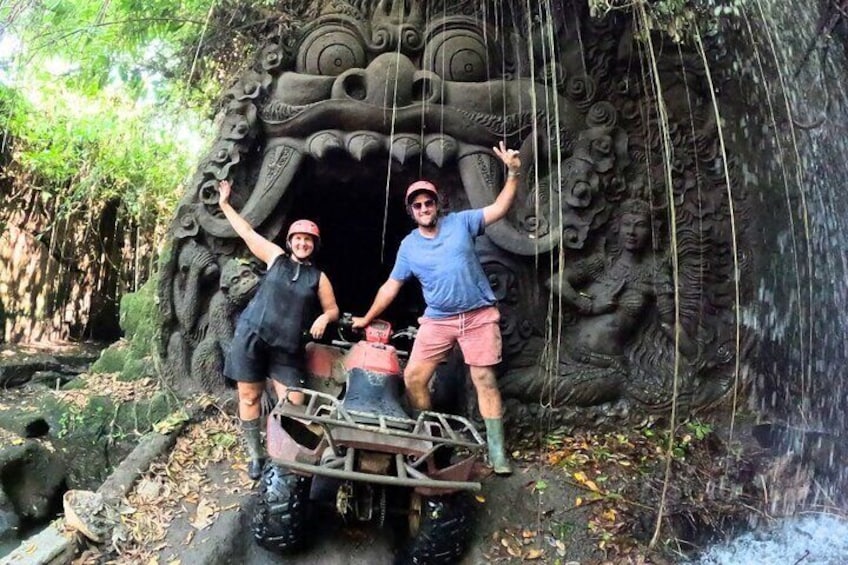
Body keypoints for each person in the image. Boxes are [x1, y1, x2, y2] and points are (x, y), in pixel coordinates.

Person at [352, 141, 521, 475]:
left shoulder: (461, 223)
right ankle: (430, 441)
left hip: (477, 315)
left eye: (429, 202)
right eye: (418, 204)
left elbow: (500, 208)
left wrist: (513, 172)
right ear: (411, 211)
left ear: (437, 204)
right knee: (414, 377)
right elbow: (391, 286)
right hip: (438, 319)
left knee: (484, 378)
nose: (424, 207)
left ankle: (498, 453)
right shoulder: (409, 246)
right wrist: (367, 317)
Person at [218, 179, 340, 479]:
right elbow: (246, 232)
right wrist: (224, 204)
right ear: (290, 241)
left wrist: (324, 318)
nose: (302, 243)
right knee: (249, 397)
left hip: (287, 347)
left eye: (308, 240)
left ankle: (282, 451)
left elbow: (333, 309)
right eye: (298, 239)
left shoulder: (319, 277)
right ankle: (256, 455)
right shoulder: (275, 258)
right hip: (253, 336)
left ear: (314, 245)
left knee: (294, 403)